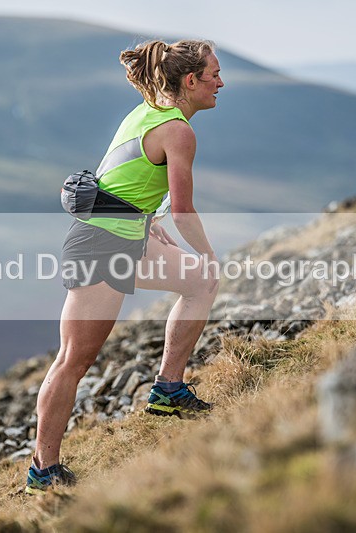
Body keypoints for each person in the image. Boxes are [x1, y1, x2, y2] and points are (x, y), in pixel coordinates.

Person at [26, 39, 224, 495]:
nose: (220, 82)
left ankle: (168, 390)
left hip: (128, 235)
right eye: (213, 74)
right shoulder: (178, 131)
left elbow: (122, 178)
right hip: (101, 245)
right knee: (75, 360)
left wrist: (146, 221)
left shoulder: (146, 112)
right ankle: (43, 470)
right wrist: (208, 253)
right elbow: (184, 210)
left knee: (198, 284)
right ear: (191, 81)